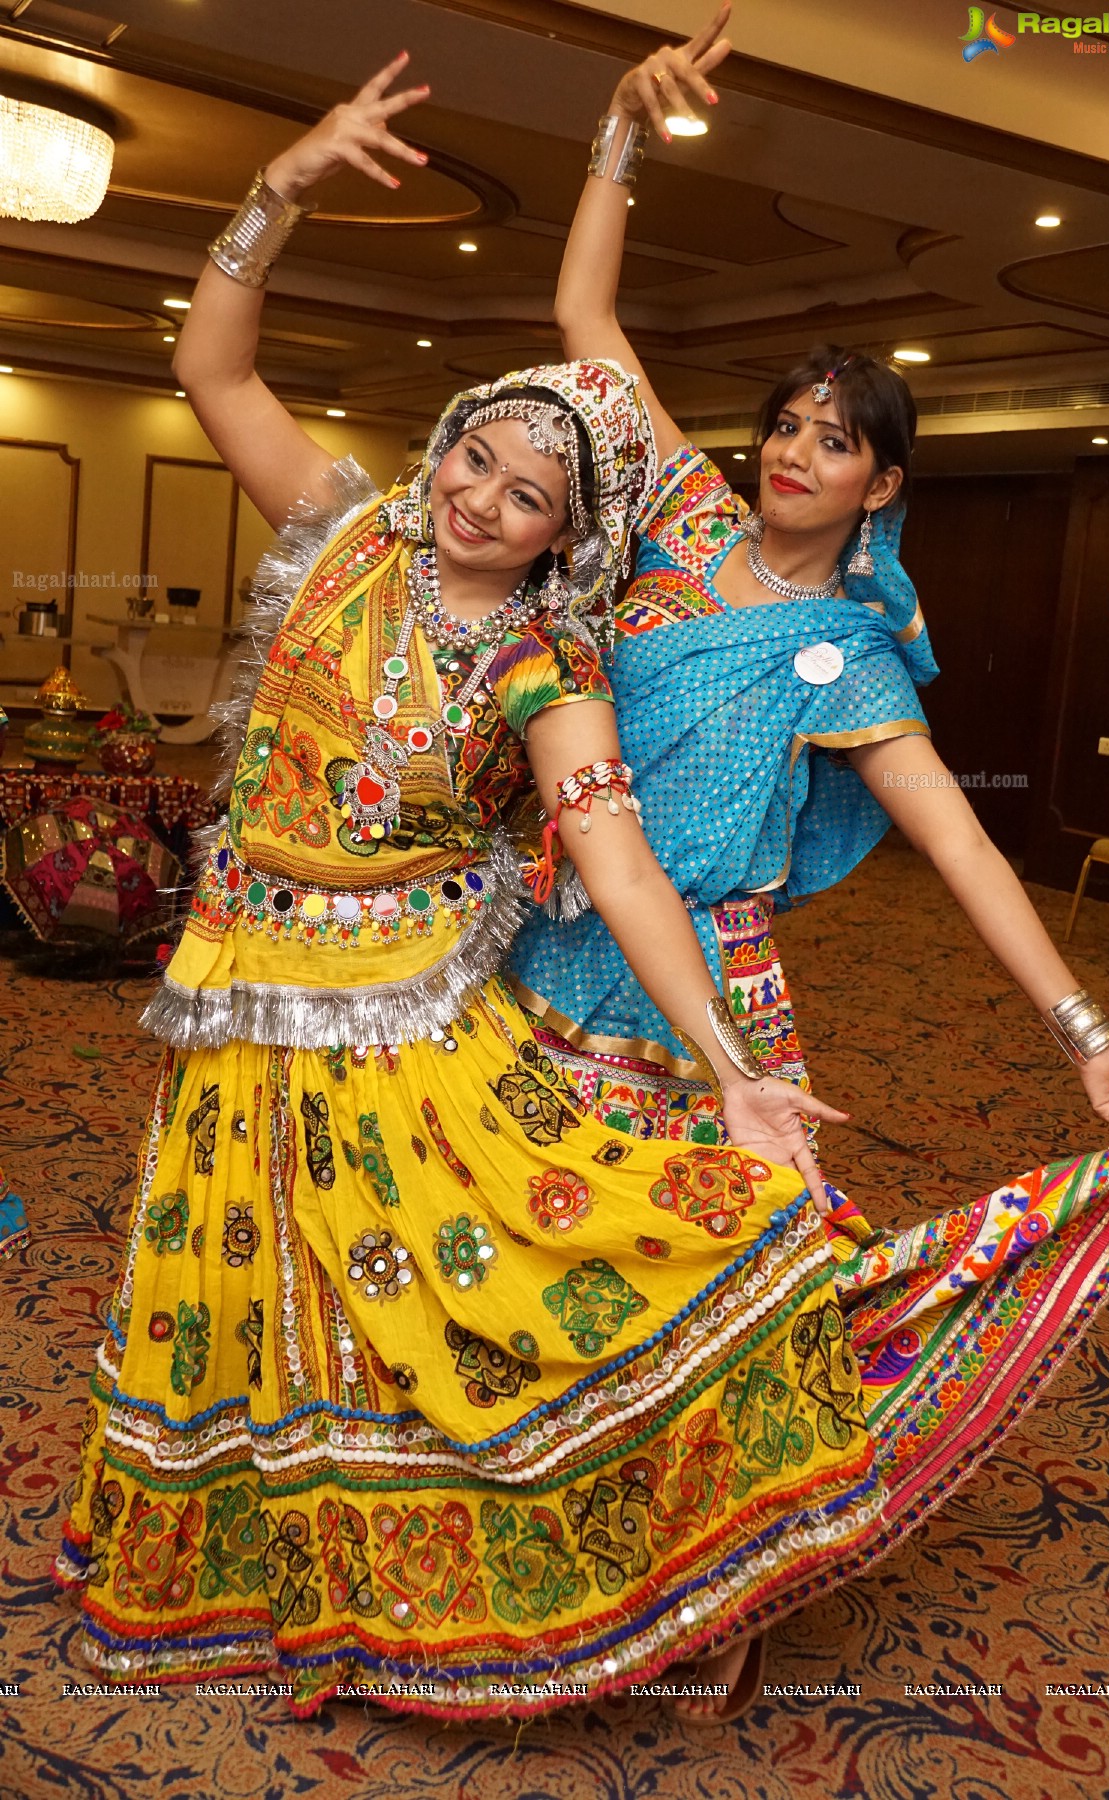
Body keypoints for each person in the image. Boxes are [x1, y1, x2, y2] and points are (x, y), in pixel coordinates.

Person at [51, 54, 903, 1725]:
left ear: (560, 539)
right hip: (236, 997)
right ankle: (254, 1575)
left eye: (531, 495)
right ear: (445, 442)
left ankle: (591, 1579)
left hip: (399, 1024)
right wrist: (282, 187)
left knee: (449, 1301)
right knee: (246, 1291)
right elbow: (209, 366)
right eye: (479, 457)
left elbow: (617, 855)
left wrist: (734, 1068)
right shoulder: (341, 530)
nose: (484, 497)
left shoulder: (544, 661)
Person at [507, 9, 1109, 1717]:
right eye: (786, 419)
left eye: (835, 435)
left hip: (705, 993)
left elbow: (960, 841)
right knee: (521, 1251)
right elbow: (588, 320)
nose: (791, 446)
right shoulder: (664, 517)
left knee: (728, 1291)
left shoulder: (853, 661)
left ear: (883, 483)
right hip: (550, 934)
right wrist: (613, 124)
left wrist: (1080, 1028)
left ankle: (724, 1580)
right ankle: (535, 1541)